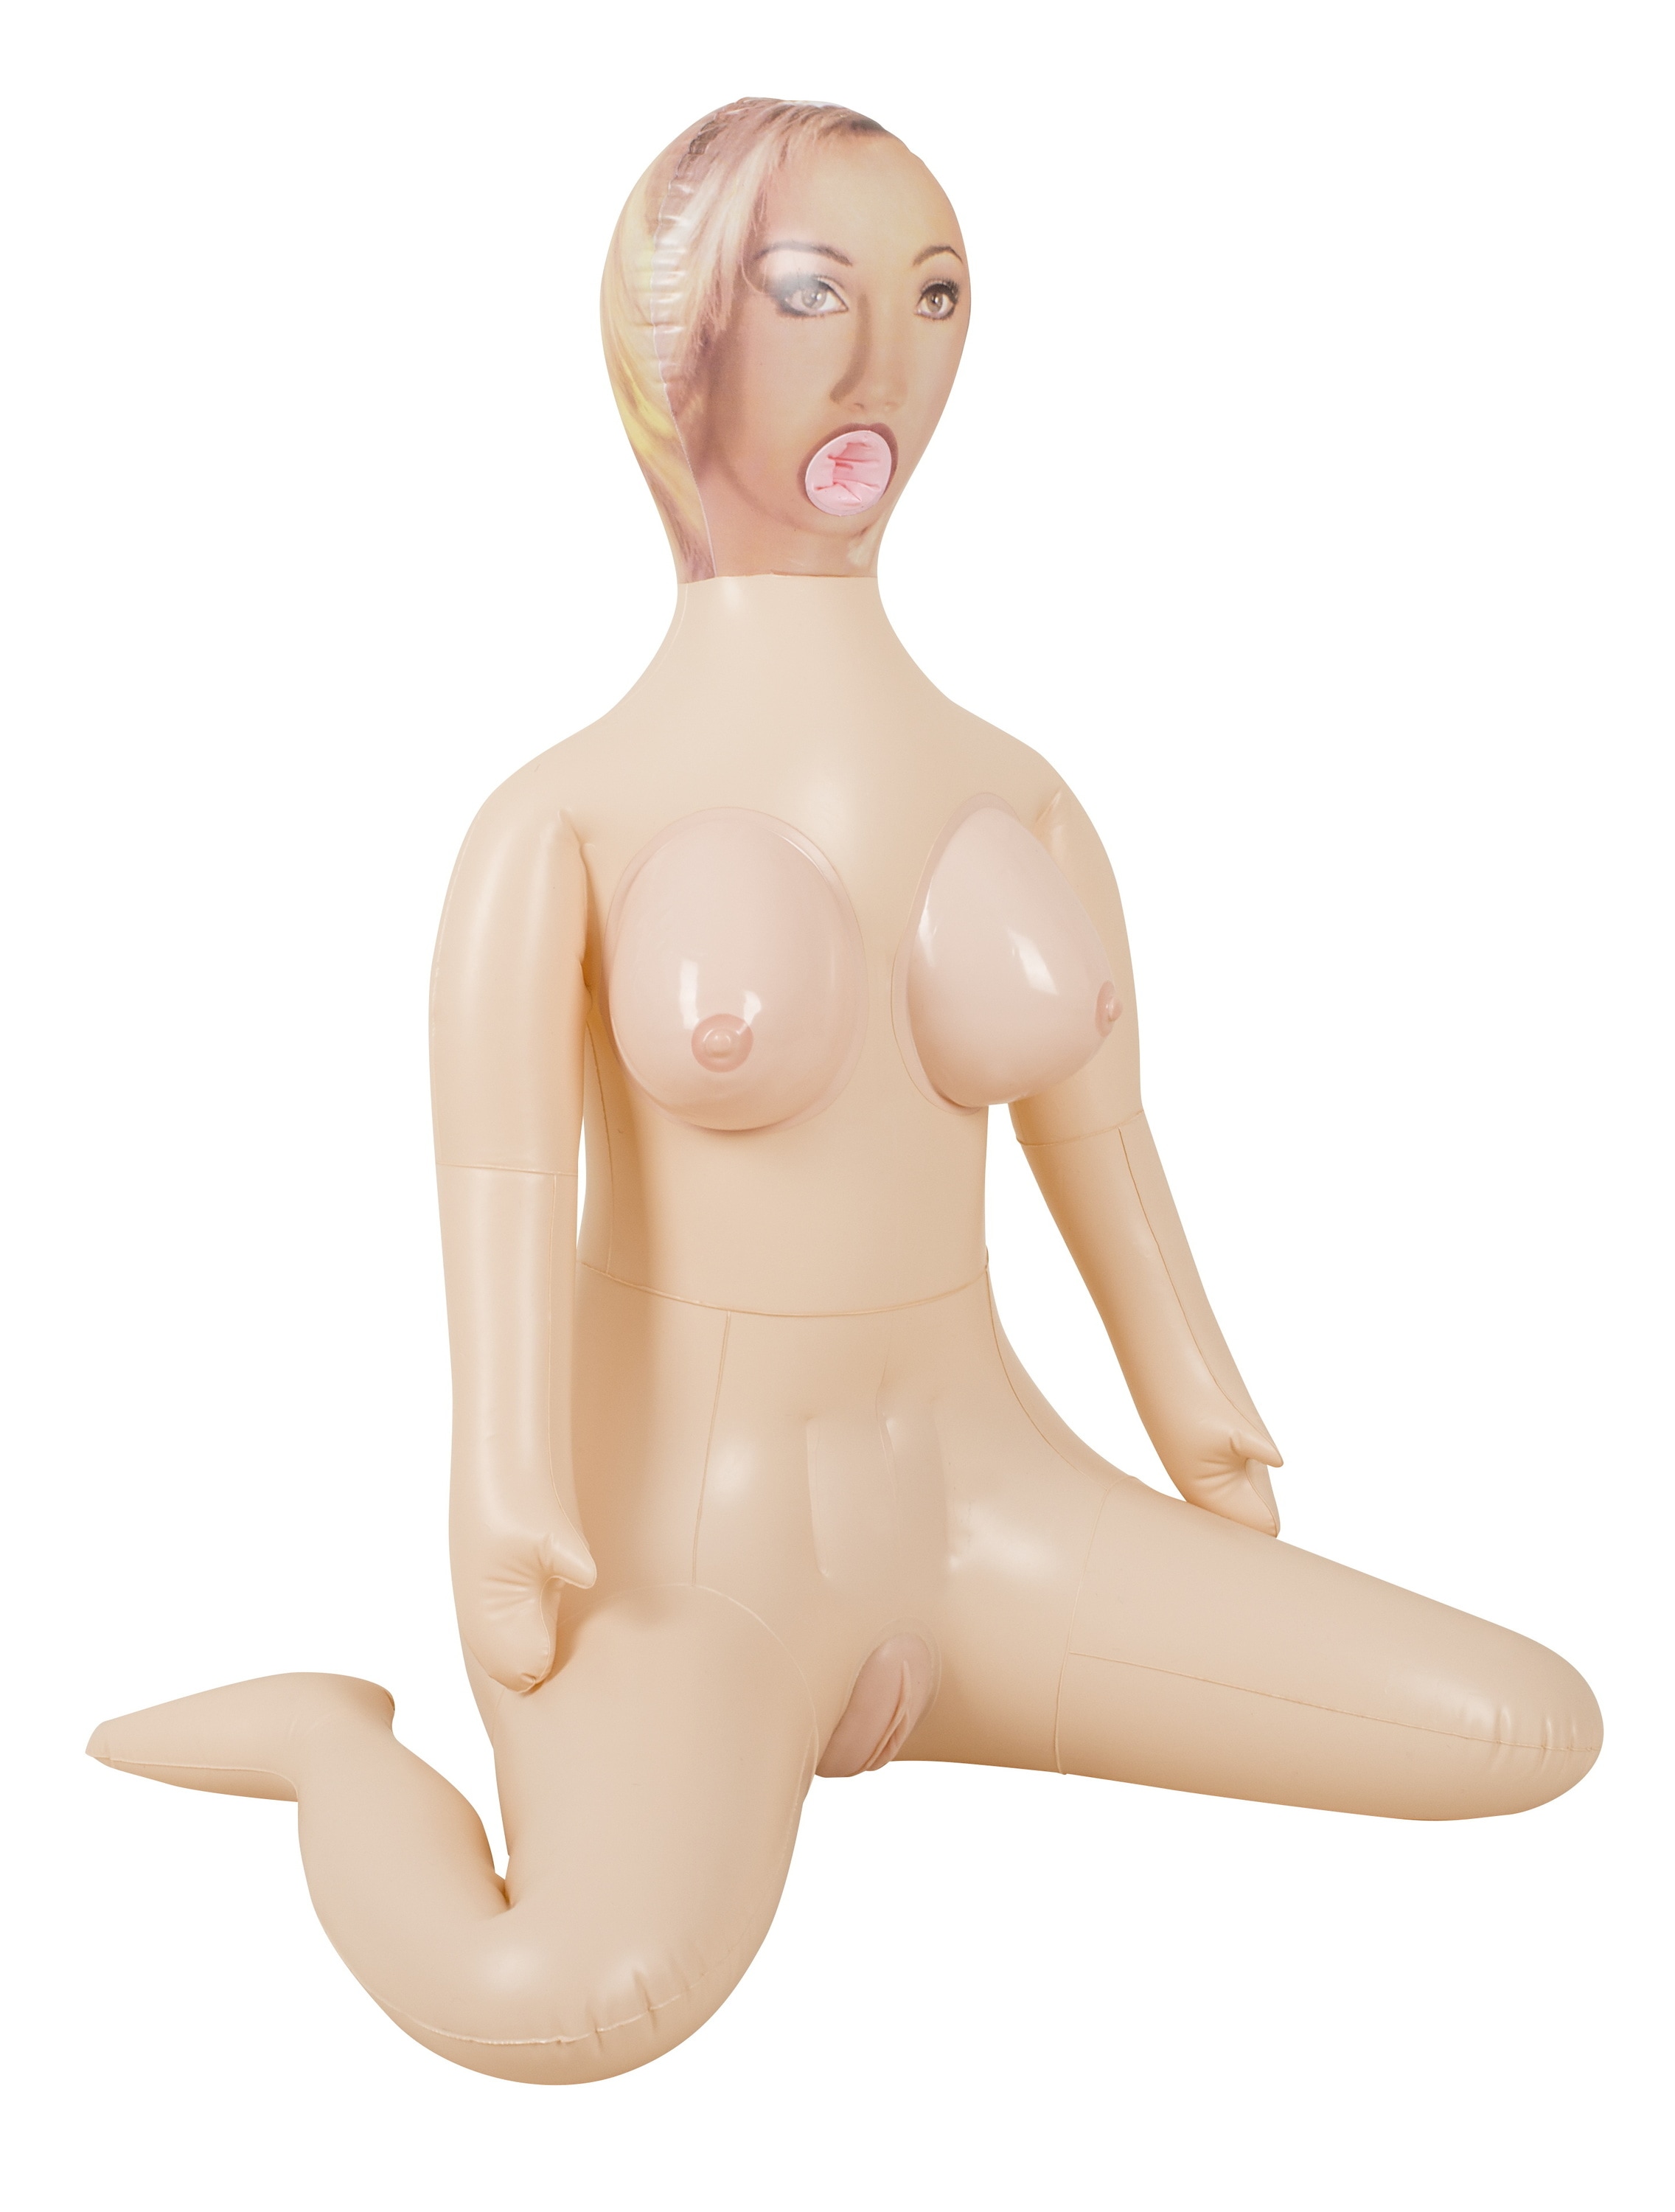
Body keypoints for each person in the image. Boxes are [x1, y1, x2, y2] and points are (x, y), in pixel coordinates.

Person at [88, 97, 1601, 2086]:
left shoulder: (1017, 791)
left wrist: (1198, 1416)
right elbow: (496, 1194)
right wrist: (505, 1497)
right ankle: (325, 1747)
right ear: (678, 339)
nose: (884, 357)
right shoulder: (559, 821)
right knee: (568, 2003)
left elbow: (1102, 1141)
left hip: (988, 1508)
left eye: (935, 294)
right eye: (814, 293)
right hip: (665, 1553)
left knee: (1522, 1729)